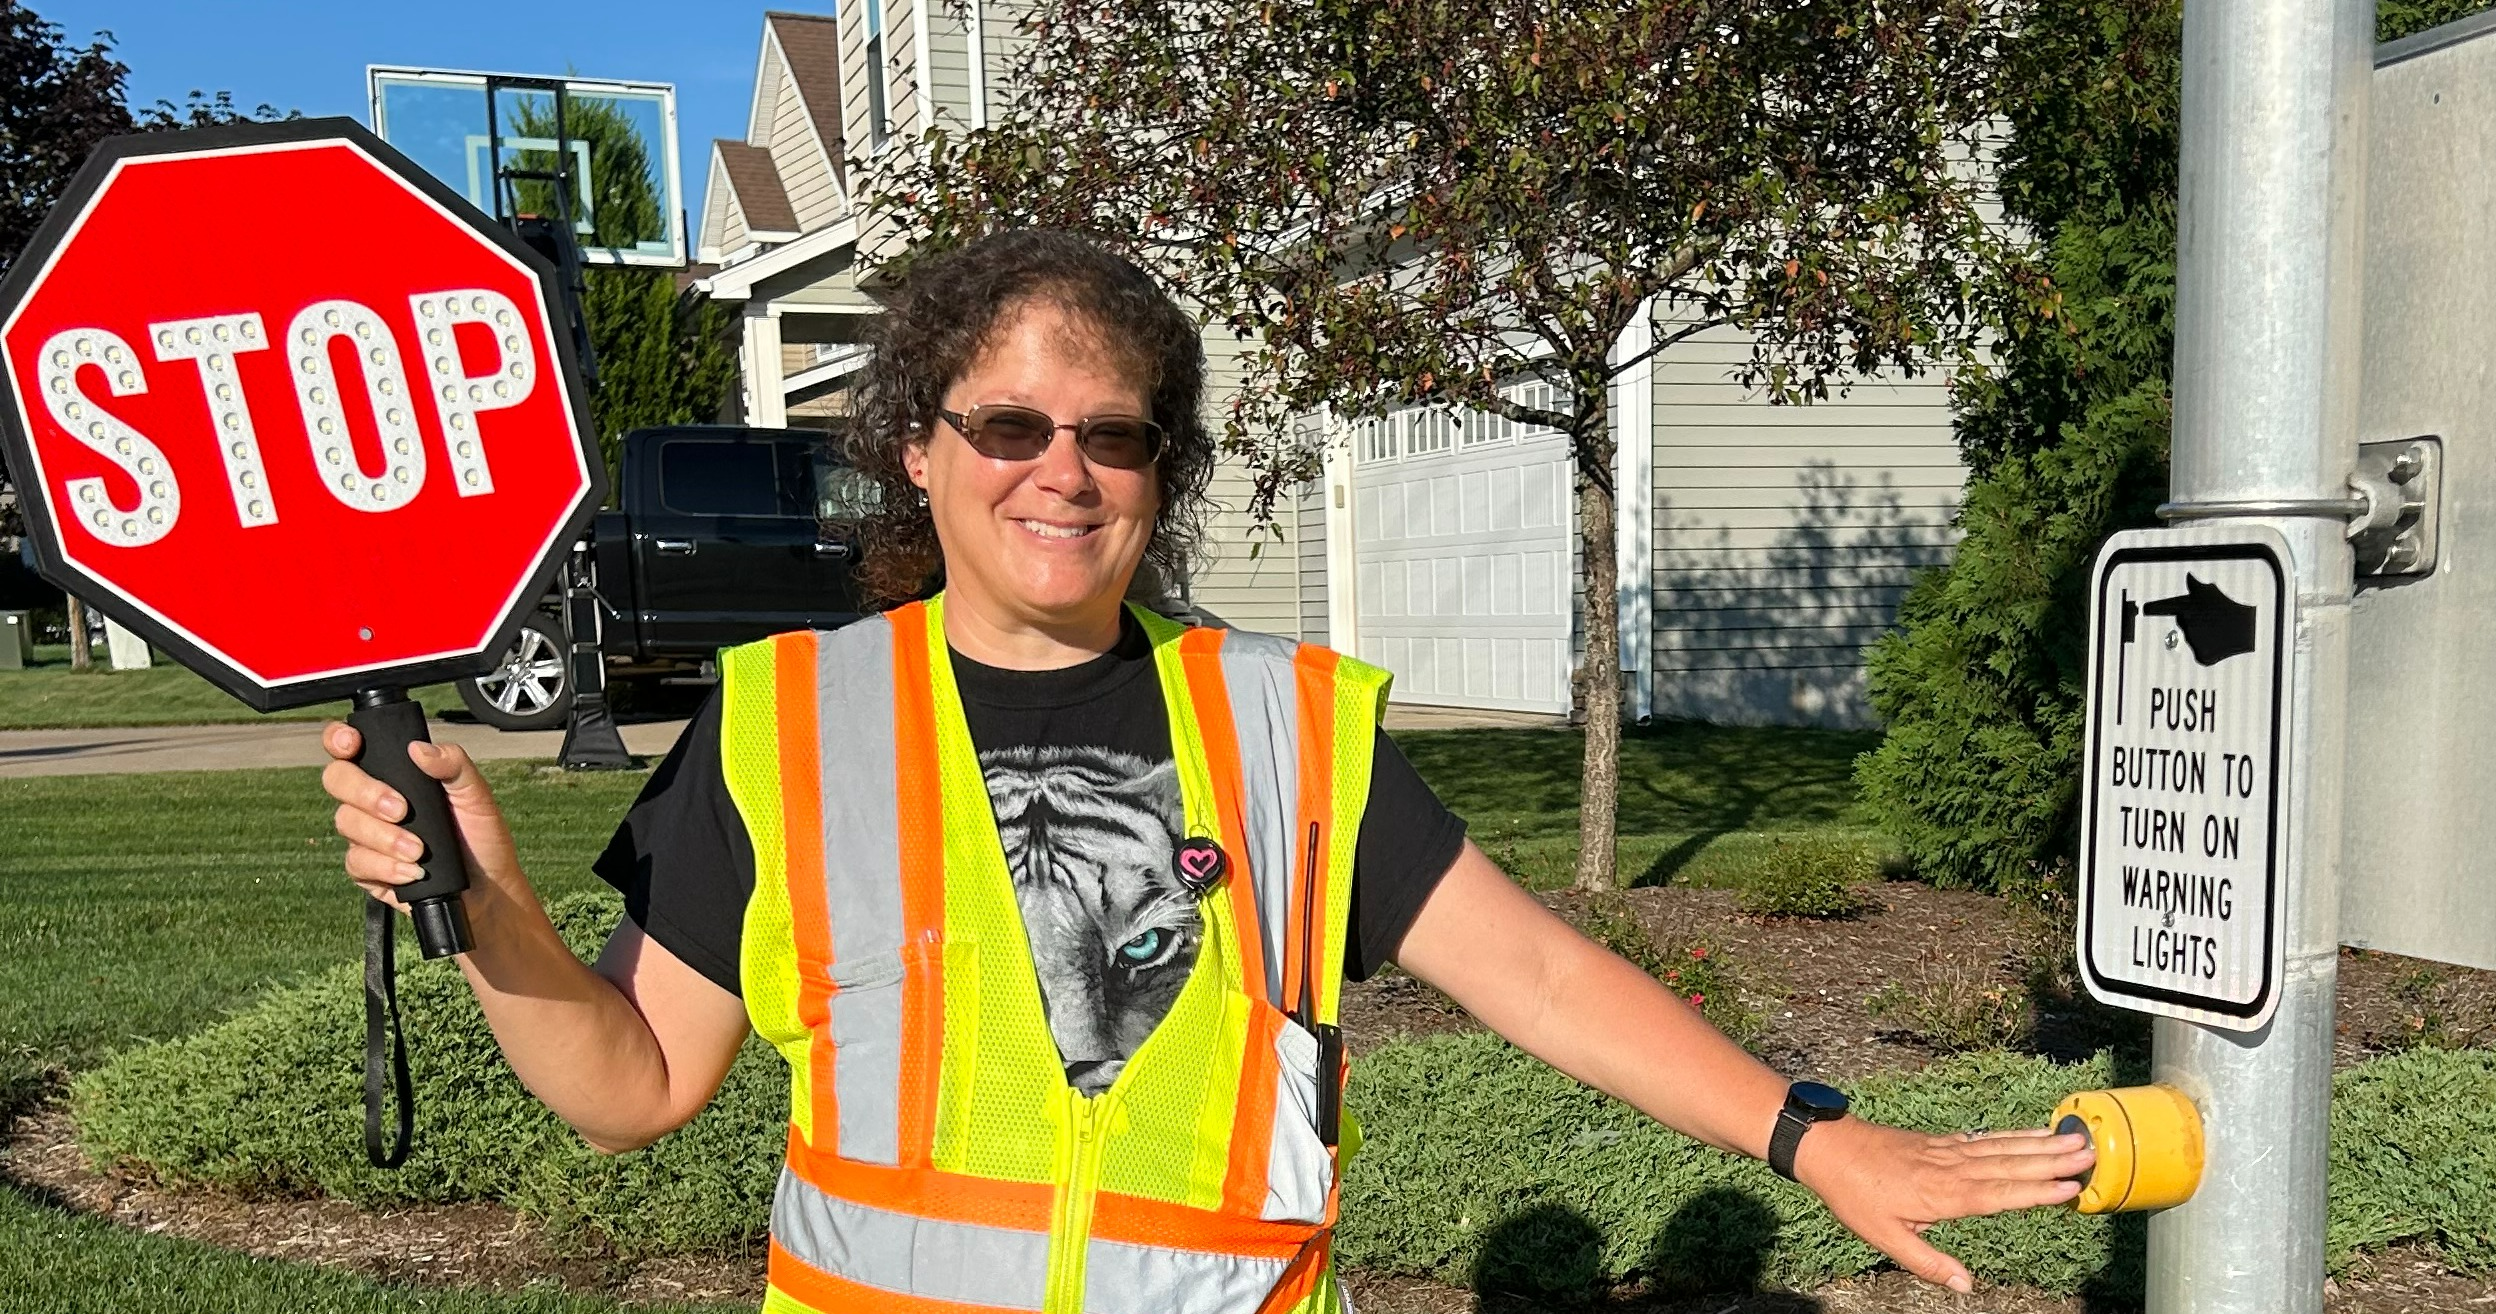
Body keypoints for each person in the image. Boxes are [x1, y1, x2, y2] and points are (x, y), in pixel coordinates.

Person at [322, 229, 2091, 1313]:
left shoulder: (1282, 724)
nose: (1063, 471)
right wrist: (492, 907)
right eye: (1009, 425)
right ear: (917, 450)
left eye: (1114, 434)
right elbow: (631, 1087)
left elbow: (1545, 977)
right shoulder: (784, 721)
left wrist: (1811, 1134)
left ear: (1161, 470)